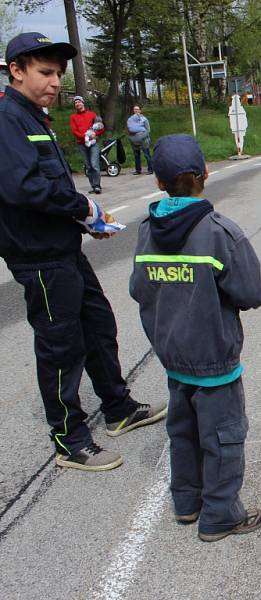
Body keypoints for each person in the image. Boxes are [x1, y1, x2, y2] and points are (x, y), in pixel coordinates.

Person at [0, 32, 166, 472]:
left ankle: (118, 407)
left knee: (97, 325)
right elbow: (23, 188)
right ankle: (69, 439)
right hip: (38, 256)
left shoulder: (36, 117)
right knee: (61, 348)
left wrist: (86, 221)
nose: (56, 82)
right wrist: (85, 206)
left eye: (59, 73)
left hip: (62, 246)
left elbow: (48, 188)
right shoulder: (6, 119)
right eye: (45, 72)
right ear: (16, 71)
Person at [129, 134, 261, 542]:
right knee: (223, 436)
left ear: (158, 183)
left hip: (173, 356)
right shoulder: (219, 232)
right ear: (205, 174)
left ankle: (187, 502)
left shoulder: (145, 233)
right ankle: (221, 514)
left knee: (183, 431)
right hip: (214, 359)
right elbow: (251, 292)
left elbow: (139, 288)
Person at [69, 94, 103, 194]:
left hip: (93, 143)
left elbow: (100, 127)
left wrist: (94, 134)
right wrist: (84, 137)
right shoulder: (73, 117)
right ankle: (93, 186)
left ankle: (97, 186)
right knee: (88, 166)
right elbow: (74, 131)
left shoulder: (92, 114)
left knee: (94, 164)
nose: (77, 104)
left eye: (79, 102)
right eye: (75, 102)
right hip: (81, 143)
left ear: (82, 103)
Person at [126, 104, 153, 175]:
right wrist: (131, 138)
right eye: (135, 109)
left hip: (144, 140)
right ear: (133, 110)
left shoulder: (144, 119)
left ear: (140, 110)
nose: (136, 110)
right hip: (134, 141)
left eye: (137, 109)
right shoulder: (131, 120)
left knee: (147, 155)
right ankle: (138, 170)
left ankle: (150, 169)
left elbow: (148, 130)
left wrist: (141, 137)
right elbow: (129, 130)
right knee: (136, 155)